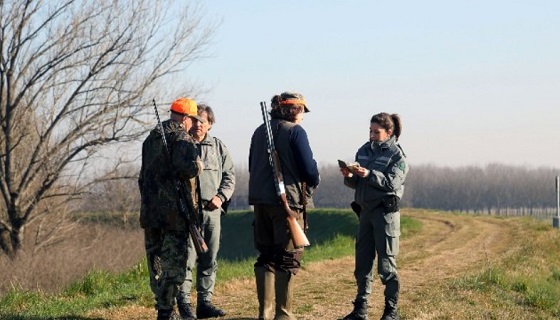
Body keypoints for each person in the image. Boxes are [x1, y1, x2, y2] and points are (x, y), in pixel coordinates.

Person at [248, 91, 320, 320]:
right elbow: (309, 170)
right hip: (286, 202)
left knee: (266, 255)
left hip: (260, 201)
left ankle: (264, 313)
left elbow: (252, 166)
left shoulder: (259, 132)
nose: (303, 116)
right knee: (288, 258)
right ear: (295, 110)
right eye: (302, 111)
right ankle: (283, 314)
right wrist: (313, 179)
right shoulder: (295, 132)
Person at [139, 97, 204, 320]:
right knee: (174, 266)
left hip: (150, 214)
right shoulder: (181, 138)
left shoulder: (151, 139)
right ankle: (166, 312)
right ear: (185, 118)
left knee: (156, 263)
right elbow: (187, 169)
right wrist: (198, 165)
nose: (193, 125)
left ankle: (164, 307)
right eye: (192, 120)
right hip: (174, 215)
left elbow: (143, 178)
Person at [340, 113, 408, 320]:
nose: (372, 135)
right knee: (362, 263)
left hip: (385, 215)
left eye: (376, 132)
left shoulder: (397, 156)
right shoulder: (363, 150)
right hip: (365, 213)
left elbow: (391, 183)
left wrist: (369, 174)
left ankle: (391, 310)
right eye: (370, 131)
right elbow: (357, 184)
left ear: (389, 133)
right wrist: (350, 176)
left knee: (386, 264)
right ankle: (360, 309)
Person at [176, 104, 236, 319]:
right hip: (188, 214)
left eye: (204, 121)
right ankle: (184, 305)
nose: (199, 124)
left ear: (210, 124)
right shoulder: (181, 145)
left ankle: (205, 302)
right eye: (196, 120)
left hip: (212, 212)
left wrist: (220, 197)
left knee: (209, 257)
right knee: (187, 260)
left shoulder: (218, 147)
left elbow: (229, 177)